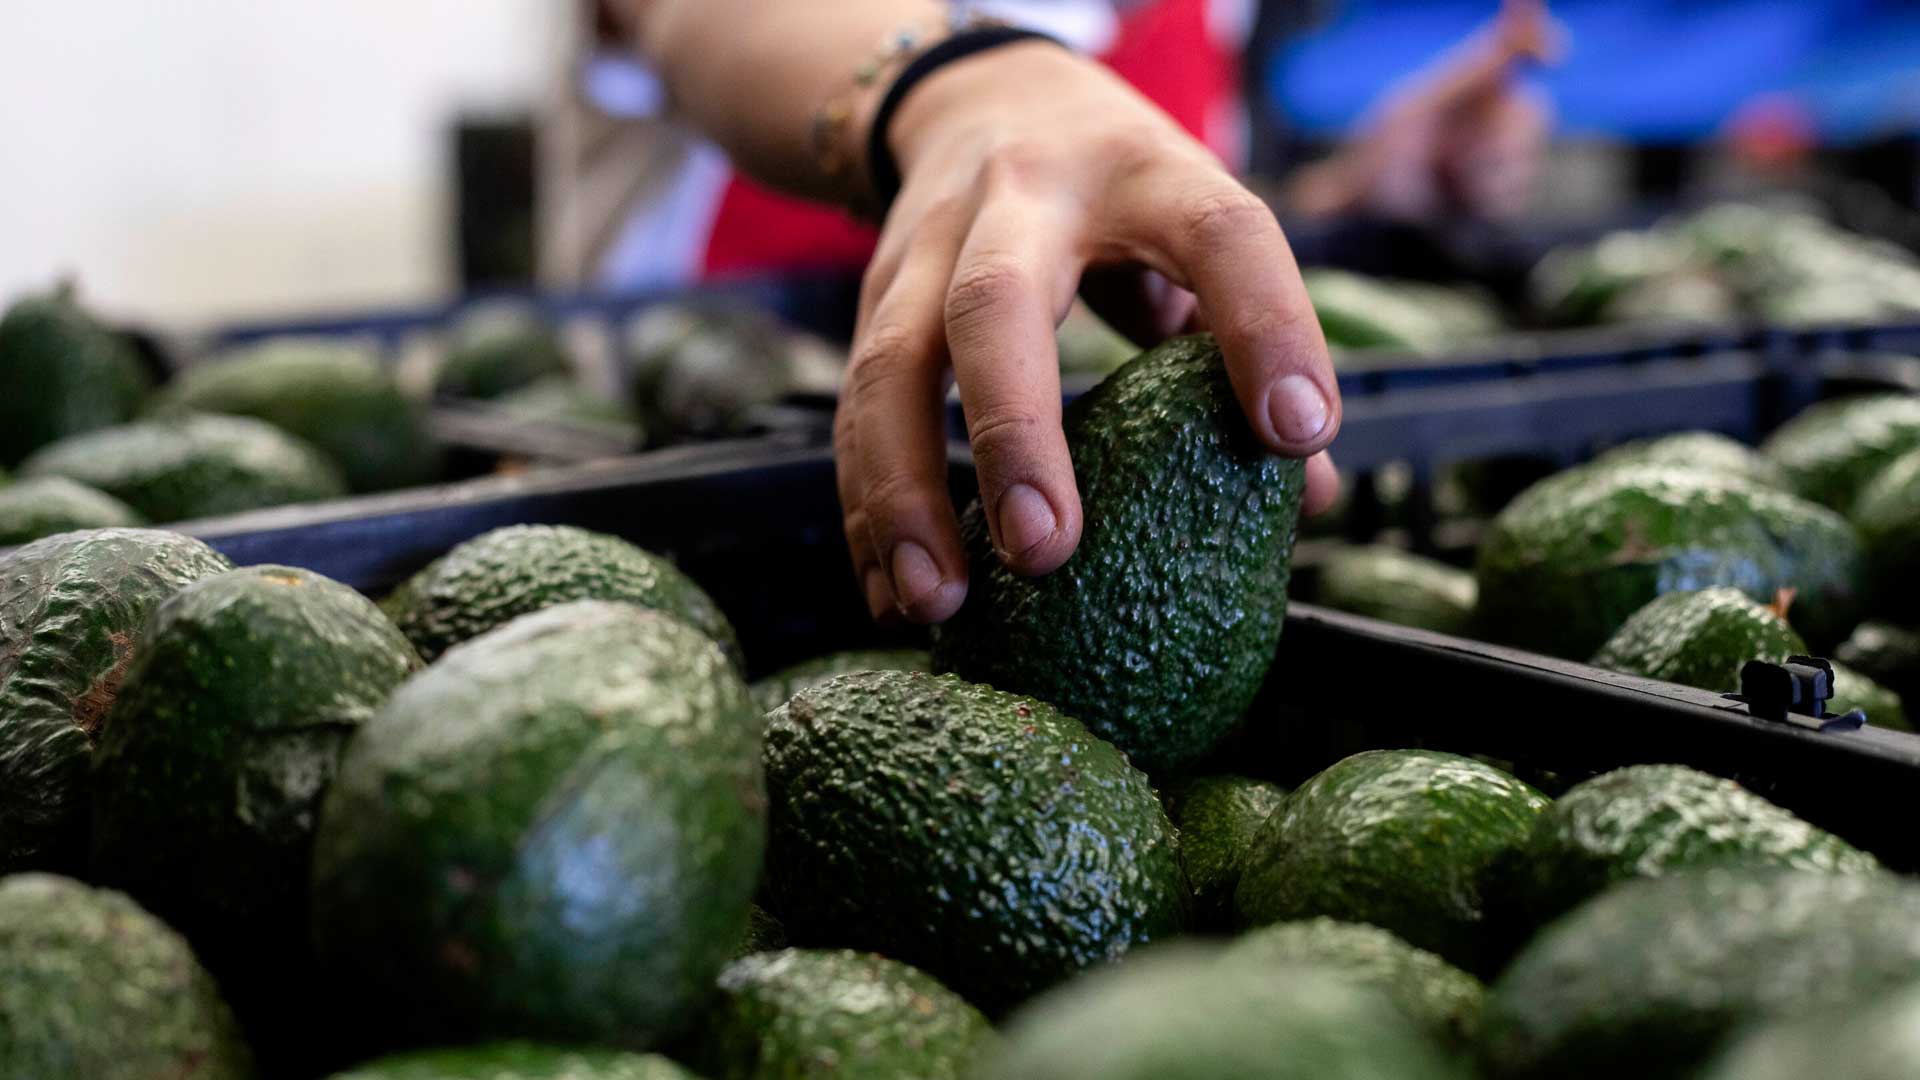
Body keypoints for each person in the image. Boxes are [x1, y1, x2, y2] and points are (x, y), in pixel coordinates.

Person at [570, 0, 1553, 626]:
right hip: (689, 449)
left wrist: (1354, 199)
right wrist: (949, 89)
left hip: (1034, 532)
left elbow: (1117, 226)